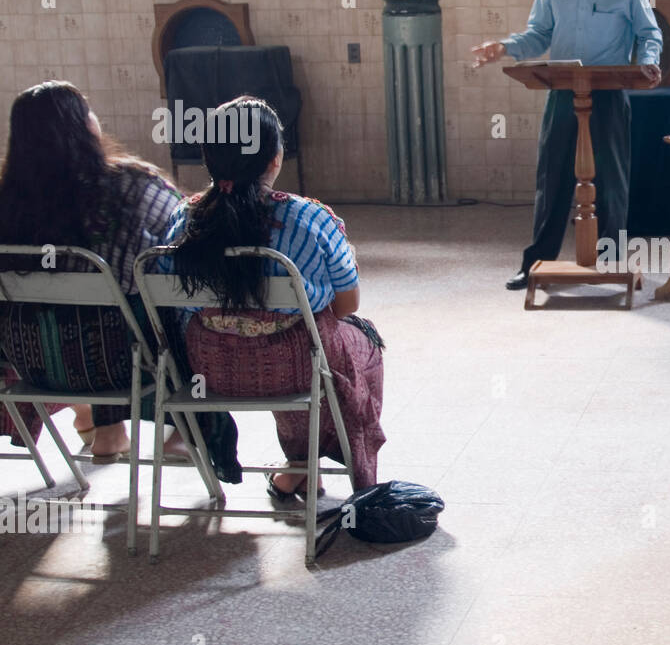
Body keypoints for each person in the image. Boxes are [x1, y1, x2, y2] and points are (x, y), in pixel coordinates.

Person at [163, 97, 385, 496]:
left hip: (211, 372)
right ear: (274, 159)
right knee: (358, 341)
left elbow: (170, 296)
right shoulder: (311, 218)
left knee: (290, 341)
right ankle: (311, 463)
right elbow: (347, 306)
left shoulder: (185, 218)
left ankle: (298, 467)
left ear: (209, 158)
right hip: (297, 371)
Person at [0, 80, 197, 465]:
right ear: (83, 125)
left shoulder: (7, 200)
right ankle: (185, 429)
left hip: (28, 364)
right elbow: (189, 232)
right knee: (167, 296)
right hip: (116, 362)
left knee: (71, 309)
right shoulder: (132, 186)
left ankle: (101, 426)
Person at [471, 0, 663, 289]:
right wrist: (505, 47)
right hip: (562, 91)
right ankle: (536, 262)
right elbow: (538, 35)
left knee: (611, 180)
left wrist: (648, 63)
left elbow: (649, 34)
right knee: (552, 177)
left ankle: (610, 262)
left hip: (607, 93)